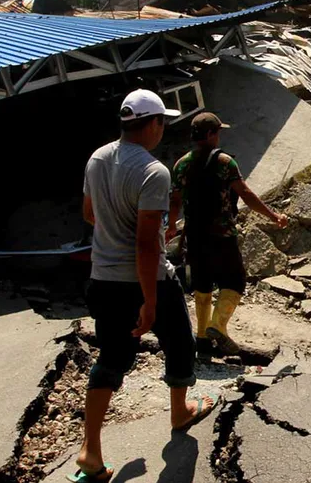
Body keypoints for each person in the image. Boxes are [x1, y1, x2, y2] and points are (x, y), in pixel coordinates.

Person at [75, 90, 216, 482]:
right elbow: (145, 245)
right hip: (147, 280)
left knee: (111, 358)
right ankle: (180, 412)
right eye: (162, 122)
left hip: (102, 277)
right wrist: (149, 302)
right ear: (154, 124)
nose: (162, 129)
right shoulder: (154, 171)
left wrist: (114, 231)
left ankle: (90, 450)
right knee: (180, 342)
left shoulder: (97, 158)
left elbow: (89, 214)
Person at [169, 112, 288, 357]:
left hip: (195, 236)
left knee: (202, 285)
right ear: (210, 134)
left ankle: (202, 340)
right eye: (217, 132)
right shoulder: (225, 162)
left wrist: (171, 225)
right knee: (234, 281)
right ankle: (218, 325)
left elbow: (175, 200)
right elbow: (245, 194)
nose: (219, 136)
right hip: (222, 235)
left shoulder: (181, 164)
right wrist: (273, 216)